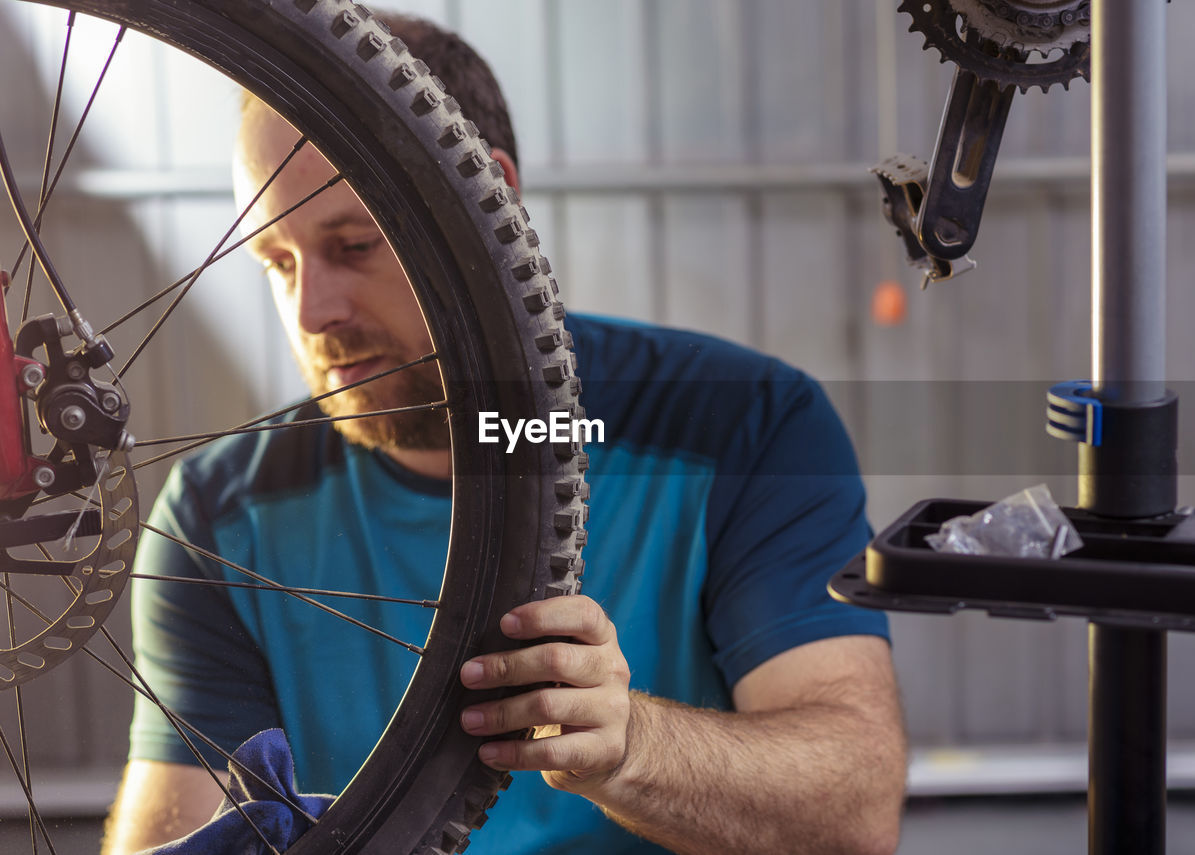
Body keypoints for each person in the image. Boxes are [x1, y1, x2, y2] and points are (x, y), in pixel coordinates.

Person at [103, 12, 907, 855]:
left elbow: (853, 815)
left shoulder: (744, 425)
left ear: (486, 203)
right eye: (278, 261)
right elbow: (169, 830)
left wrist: (629, 746)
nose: (312, 312)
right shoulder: (215, 517)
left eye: (354, 243)